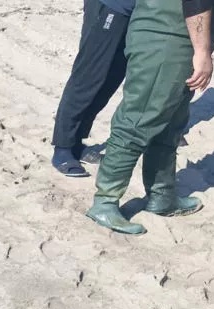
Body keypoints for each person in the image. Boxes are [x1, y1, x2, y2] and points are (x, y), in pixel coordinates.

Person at [86, 0, 214, 234]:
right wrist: (203, 51)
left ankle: (161, 195)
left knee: (171, 122)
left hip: (183, 38)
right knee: (139, 118)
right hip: (167, 37)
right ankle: (105, 202)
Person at [51, 0, 136, 177]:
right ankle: (63, 146)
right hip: (112, 6)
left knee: (111, 80)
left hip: (138, 13)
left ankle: (76, 142)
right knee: (88, 76)